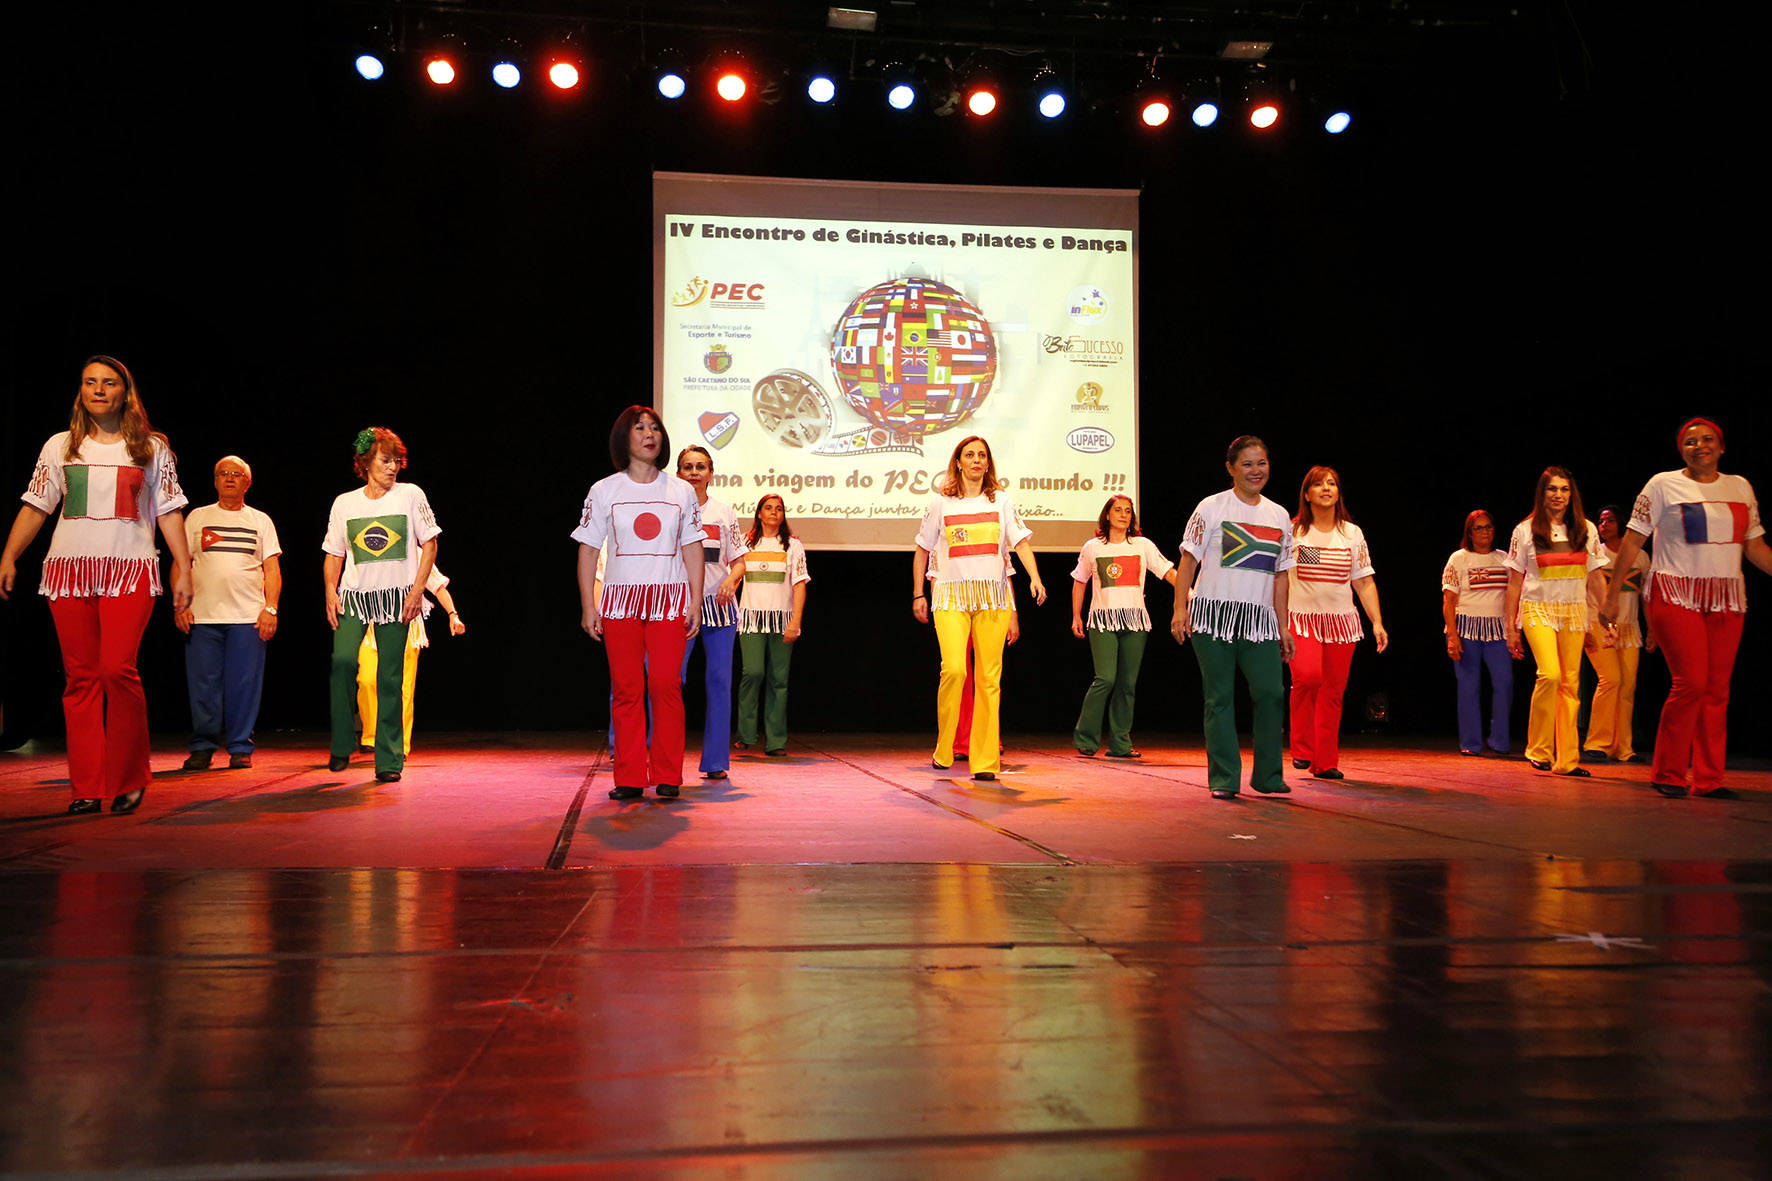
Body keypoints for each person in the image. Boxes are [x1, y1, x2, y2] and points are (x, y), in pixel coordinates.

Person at [0, 355, 191, 814]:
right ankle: (87, 785)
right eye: (90, 382)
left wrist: (184, 568)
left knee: (116, 669)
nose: (98, 390)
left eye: (108, 383)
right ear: (81, 391)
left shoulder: (150, 448)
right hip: (70, 572)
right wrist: (9, 555)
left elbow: (169, 511)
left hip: (130, 569)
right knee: (80, 677)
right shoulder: (60, 446)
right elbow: (37, 505)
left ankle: (128, 778)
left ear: (125, 392)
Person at [1600, 417, 1770, 799]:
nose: (1700, 446)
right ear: (1681, 450)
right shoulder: (1663, 484)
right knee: (1691, 683)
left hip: (1725, 597)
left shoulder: (1739, 486)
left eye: (1708, 439)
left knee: (1717, 689)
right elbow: (1632, 543)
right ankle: (1669, 772)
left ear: (1722, 446)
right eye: (1690, 441)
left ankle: (1709, 779)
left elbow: (1755, 547)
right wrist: (1611, 596)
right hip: (1675, 593)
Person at [572, 406, 704, 800]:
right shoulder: (604, 490)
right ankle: (629, 776)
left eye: (655, 428)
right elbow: (588, 550)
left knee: (666, 685)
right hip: (621, 602)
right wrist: (589, 605)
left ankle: (667, 774)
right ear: (623, 438)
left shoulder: (680, 491)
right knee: (626, 688)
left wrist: (695, 600)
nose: (650, 434)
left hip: (668, 601)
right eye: (640, 428)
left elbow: (693, 547)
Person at [912, 435, 1047, 781]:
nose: (976, 460)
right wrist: (918, 594)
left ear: (988, 463)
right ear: (958, 462)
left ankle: (985, 761)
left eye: (982, 455)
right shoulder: (941, 503)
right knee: (955, 670)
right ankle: (945, 746)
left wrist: (1035, 577)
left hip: (992, 598)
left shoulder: (1001, 501)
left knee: (989, 679)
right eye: (969, 455)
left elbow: (1020, 543)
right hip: (951, 598)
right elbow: (922, 550)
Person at [1172, 435, 1296, 800]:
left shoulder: (1279, 515)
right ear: (1230, 468)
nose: (1256, 471)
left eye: (1262, 463)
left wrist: (1283, 625)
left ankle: (1268, 776)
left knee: (1271, 694)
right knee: (1219, 698)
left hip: (1259, 622)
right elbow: (1188, 562)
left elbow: (1282, 575)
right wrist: (1180, 609)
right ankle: (1225, 778)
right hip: (1214, 618)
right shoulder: (1211, 507)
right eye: (1247, 464)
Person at [323, 427, 440, 784]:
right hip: (354, 597)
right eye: (385, 460)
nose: (393, 467)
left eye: (397, 461)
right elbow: (334, 553)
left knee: (390, 677)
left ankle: (389, 760)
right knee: (343, 663)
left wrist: (416, 591)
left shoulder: (410, 495)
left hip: (395, 599)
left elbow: (430, 544)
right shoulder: (345, 503)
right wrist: (330, 590)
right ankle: (343, 741)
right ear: (365, 462)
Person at [1503, 466, 1609, 777]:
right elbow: (1514, 582)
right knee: (1550, 674)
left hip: (1574, 610)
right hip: (1537, 608)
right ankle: (1538, 749)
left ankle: (1567, 760)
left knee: (1570, 683)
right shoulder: (1525, 531)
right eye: (1552, 489)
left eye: (1564, 489)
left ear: (1571, 494)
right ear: (1542, 493)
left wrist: (1607, 617)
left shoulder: (1587, 529)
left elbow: (1596, 577)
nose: (1558, 495)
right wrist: (1511, 628)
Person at [177, 455, 281, 770]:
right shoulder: (197, 517)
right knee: (202, 687)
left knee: (244, 686)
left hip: (248, 618)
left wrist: (270, 608)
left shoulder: (260, 520)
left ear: (247, 482)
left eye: (236, 474)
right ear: (215, 480)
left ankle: (239, 747)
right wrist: (181, 605)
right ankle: (202, 747)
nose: (229, 478)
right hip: (203, 617)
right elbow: (181, 564)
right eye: (223, 473)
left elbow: (272, 570)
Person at [1287, 466, 1387, 779]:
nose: (1326, 488)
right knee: (1308, 678)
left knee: (1333, 692)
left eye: (1331, 483)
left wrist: (1377, 622)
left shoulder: (1352, 534)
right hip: (1302, 619)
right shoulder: (1294, 532)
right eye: (1318, 484)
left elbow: (1364, 581)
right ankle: (1302, 747)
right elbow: (1278, 576)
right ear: (1307, 494)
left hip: (1341, 622)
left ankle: (1325, 761)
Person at [1071, 494, 1176, 758]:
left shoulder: (1142, 545)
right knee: (1105, 678)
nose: (1123, 515)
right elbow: (1079, 581)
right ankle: (1086, 738)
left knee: (1127, 684)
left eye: (1128, 511)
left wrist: (1190, 592)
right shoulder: (1093, 547)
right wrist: (1076, 616)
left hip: (1135, 621)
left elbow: (1167, 572)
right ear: (1107, 515)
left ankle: (1120, 743)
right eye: (1118, 510)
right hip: (1102, 620)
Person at [676, 447, 746, 779]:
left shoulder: (723, 511)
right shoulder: (671, 510)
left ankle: (716, 762)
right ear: (678, 474)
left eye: (700, 467)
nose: (694, 472)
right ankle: (662, 760)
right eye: (688, 467)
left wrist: (731, 581)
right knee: (670, 682)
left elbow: (740, 561)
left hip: (718, 608)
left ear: (711, 473)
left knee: (719, 682)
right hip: (678, 606)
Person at [356, 565, 464, 756]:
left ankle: (399, 745)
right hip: (372, 625)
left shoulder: (418, 554)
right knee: (367, 680)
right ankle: (372, 736)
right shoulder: (370, 551)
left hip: (406, 626)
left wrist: (452, 615)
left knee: (403, 688)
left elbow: (438, 586)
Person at [733, 494, 809, 756]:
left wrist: (795, 621)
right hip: (751, 619)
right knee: (752, 673)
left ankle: (776, 741)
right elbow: (733, 578)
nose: (774, 512)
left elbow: (799, 585)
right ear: (759, 513)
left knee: (779, 680)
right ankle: (745, 734)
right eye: (768, 508)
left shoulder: (793, 545)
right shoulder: (744, 542)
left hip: (781, 620)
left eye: (779, 509)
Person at [1581, 505, 1652, 764]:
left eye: (1609, 520)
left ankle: (1623, 747)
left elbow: (1647, 596)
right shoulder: (1594, 554)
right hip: (1597, 625)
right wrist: (1583, 627)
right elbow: (1581, 591)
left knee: (1627, 685)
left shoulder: (1640, 557)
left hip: (1629, 628)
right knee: (1610, 679)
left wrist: (1652, 629)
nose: (1604, 525)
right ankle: (1597, 743)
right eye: (1601, 521)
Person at [1441, 509, 1512, 757]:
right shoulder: (1459, 559)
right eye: (1478, 528)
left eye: (1488, 526)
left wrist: (1514, 629)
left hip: (1497, 631)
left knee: (1504, 683)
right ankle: (1471, 742)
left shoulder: (1505, 559)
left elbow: (1514, 595)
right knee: (1468, 686)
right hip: (1466, 630)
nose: (1484, 532)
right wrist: (1452, 636)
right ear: (1470, 533)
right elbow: (1449, 601)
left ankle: (1499, 739)